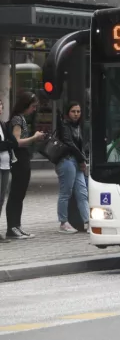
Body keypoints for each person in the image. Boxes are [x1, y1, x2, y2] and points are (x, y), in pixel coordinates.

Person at [6, 91, 45, 240]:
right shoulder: (17, 119)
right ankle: (12, 227)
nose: (34, 109)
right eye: (33, 106)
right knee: (17, 193)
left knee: (20, 194)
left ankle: (17, 225)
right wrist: (34, 138)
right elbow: (17, 142)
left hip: (23, 158)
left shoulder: (20, 118)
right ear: (26, 105)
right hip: (19, 159)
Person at [56, 102, 90, 234]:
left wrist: (81, 159)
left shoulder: (78, 126)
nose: (76, 114)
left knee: (82, 193)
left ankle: (88, 221)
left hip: (76, 161)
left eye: (78, 111)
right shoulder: (64, 125)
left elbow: (79, 145)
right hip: (67, 161)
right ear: (67, 113)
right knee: (66, 192)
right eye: (73, 111)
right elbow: (69, 143)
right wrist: (82, 159)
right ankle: (63, 222)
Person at [0, 97, 18, 244]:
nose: (0, 108)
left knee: (1, 199)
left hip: (6, 166)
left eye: (0, 105)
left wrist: (6, 144)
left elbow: (13, 142)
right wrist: (6, 144)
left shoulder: (3, 125)